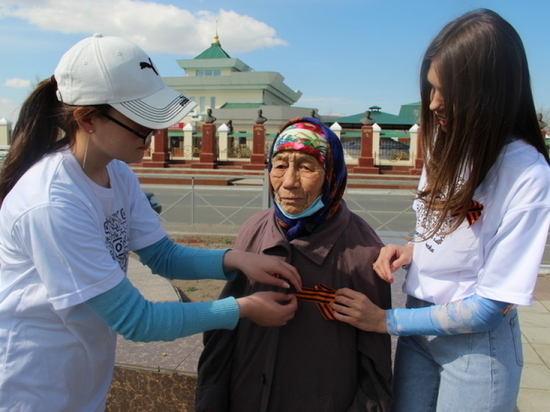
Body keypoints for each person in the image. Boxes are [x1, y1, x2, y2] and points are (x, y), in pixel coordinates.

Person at [0, 34, 302, 411]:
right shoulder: (52, 203)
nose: (154, 135)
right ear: (87, 119)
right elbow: (137, 320)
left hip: (79, 381)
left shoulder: (117, 173)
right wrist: (242, 308)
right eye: (141, 123)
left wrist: (237, 260)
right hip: (29, 388)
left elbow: (163, 256)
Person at [331, 9, 550, 412]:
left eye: (448, 91)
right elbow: (440, 230)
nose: (433, 104)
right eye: (430, 88)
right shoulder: (444, 145)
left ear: (493, 91)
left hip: (476, 347)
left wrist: (385, 322)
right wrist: (412, 248)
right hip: (419, 330)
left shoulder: (528, 173)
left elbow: (488, 307)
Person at [196, 117, 393, 412]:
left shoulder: (362, 250)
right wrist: (211, 398)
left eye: (305, 166)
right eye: (280, 165)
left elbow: (374, 362)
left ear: (331, 174)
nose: (288, 182)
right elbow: (225, 328)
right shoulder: (255, 228)